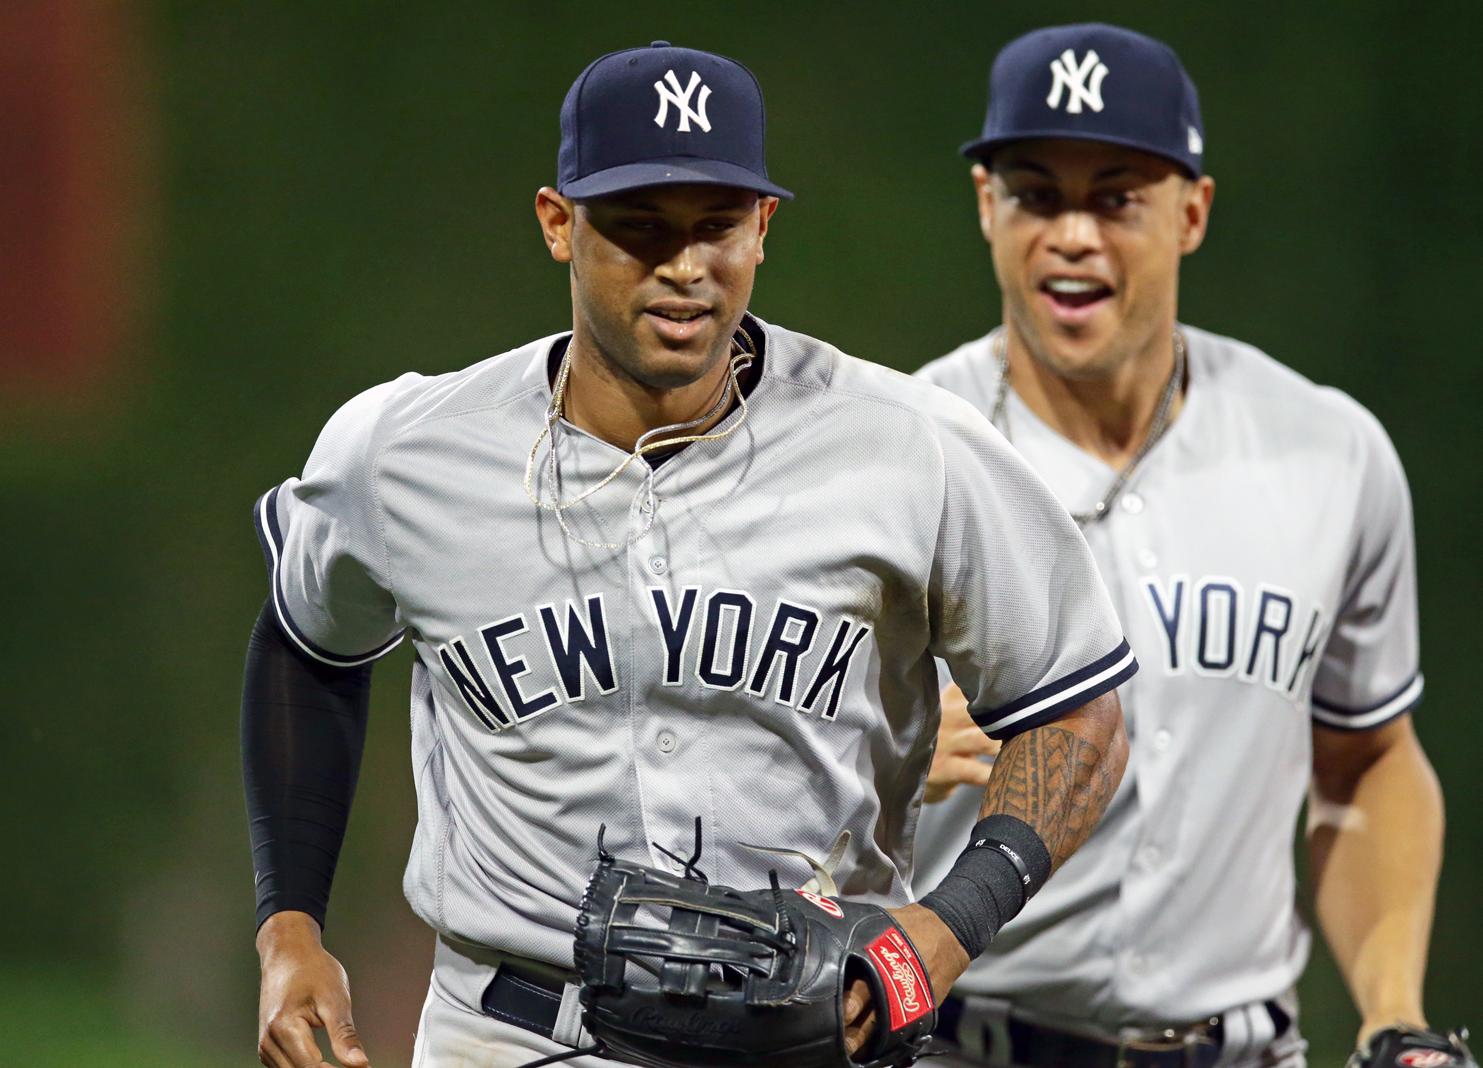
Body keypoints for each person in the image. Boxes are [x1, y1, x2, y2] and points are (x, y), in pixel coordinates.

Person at [241, 41, 1138, 1068]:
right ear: (556, 224)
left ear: (763, 227)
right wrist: (290, 929)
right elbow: (307, 645)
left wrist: (946, 931)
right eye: (639, 228)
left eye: (716, 225)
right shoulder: (405, 454)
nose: (683, 266)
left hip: (809, 1041)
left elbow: (1079, 710)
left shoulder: (909, 448)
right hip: (511, 1032)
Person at [911, 22, 1457, 1068]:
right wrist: (874, 751)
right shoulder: (898, 455)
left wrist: (1393, 1009)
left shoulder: (1326, 452)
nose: (1073, 234)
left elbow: (1368, 758)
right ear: (986, 204)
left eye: (1116, 198)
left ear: (1192, 211)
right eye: (1036, 193)